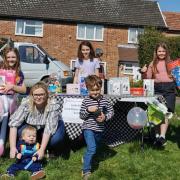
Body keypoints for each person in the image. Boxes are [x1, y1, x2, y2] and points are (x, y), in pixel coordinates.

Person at [8, 81, 65, 159]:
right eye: (36, 95)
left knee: (55, 139)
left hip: (51, 127)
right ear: (32, 95)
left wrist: (42, 149)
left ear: (46, 95)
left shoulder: (52, 104)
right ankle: (29, 147)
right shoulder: (26, 103)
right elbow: (14, 124)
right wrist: (12, 147)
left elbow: (48, 129)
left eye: (41, 94)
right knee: (21, 131)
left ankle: (48, 149)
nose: (38, 97)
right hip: (33, 126)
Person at [141, 42, 176, 147]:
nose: (161, 53)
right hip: (157, 89)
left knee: (166, 112)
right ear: (156, 52)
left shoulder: (171, 63)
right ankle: (157, 136)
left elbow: (177, 77)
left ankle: (162, 136)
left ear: (166, 52)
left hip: (169, 89)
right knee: (157, 112)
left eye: (163, 51)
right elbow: (147, 78)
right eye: (159, 51)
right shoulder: (152, 64)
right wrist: (143, 72)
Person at [80, 75, 114, 179]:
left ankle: (86, 158)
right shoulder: (86, 101)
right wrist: (88, 110)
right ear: (88, 89)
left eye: (97, 89)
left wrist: (105, 117)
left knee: (96, 146)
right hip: (88, 128)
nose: (95, 92)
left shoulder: (105, 100)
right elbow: (81, 115)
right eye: (92, 90)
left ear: (101, 88)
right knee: (92, 148)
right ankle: (86, 170)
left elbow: (111, 112)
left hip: (100, 129)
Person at [0, 47, 26, 156]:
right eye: (9, 57)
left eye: (13, 57)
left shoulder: (19, 73)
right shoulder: (0, 69)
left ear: (17, 58)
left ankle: (1, 144)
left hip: (11, 103)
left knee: (6, 121)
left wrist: (12, 86)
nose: (11, 59)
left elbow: (24, 90)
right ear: (5, 58)